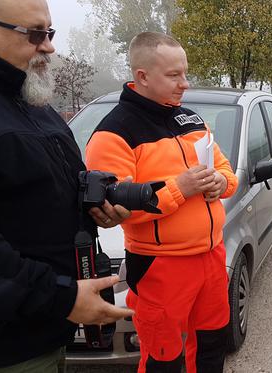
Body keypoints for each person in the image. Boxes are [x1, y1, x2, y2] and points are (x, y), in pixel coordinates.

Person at [0, 0, 133, 371]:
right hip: (2, 347)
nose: (48, 46)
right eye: (34, 34)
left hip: (46, 331)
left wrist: (94, 204)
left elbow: (41, 186)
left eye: (50, 32)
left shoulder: (31, 98)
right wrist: (60, 299)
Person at [85, 32, 238, 373]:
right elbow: (116, 208)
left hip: (211, 256)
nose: (184, 84)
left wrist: (220, 182)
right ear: (142, 76)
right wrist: (180, 188)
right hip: (161, 265)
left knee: (213, 346)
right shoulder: (113, 133)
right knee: (163, 357)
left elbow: (227, 171)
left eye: (184, 73)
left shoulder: (191, 119)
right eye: (174, 75)